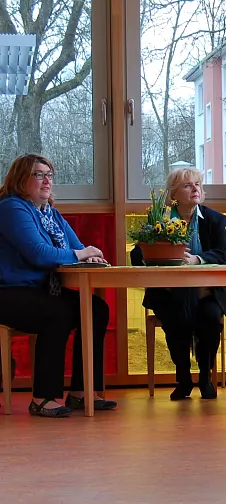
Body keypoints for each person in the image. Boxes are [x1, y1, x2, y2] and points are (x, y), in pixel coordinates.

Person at [0, 154, 116, 417]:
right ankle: (43, 397)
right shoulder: (12, 208)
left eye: (49, 175)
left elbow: (77, 248)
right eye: (38, 175)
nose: (46, 181)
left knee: (96, 308)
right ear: (21, 179)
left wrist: (91, 255)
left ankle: (82, 391)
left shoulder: (50, 213)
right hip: (9, 292)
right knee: (58, 311)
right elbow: (39, 254)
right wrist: (81, 253)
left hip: (38, 290)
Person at [131, 167, 226, 400]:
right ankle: (184, 379)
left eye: (197, 184)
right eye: (188, 185)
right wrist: (159, 249)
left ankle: (205, 377)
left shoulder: (214, 220)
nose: (195, 188)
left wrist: (198, 259)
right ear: (174, 194)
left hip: (206, 292)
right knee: (177, 317)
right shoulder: (160, 219)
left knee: (209, 317)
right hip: (170, 294)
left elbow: (223, 254)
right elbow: (136, 256)